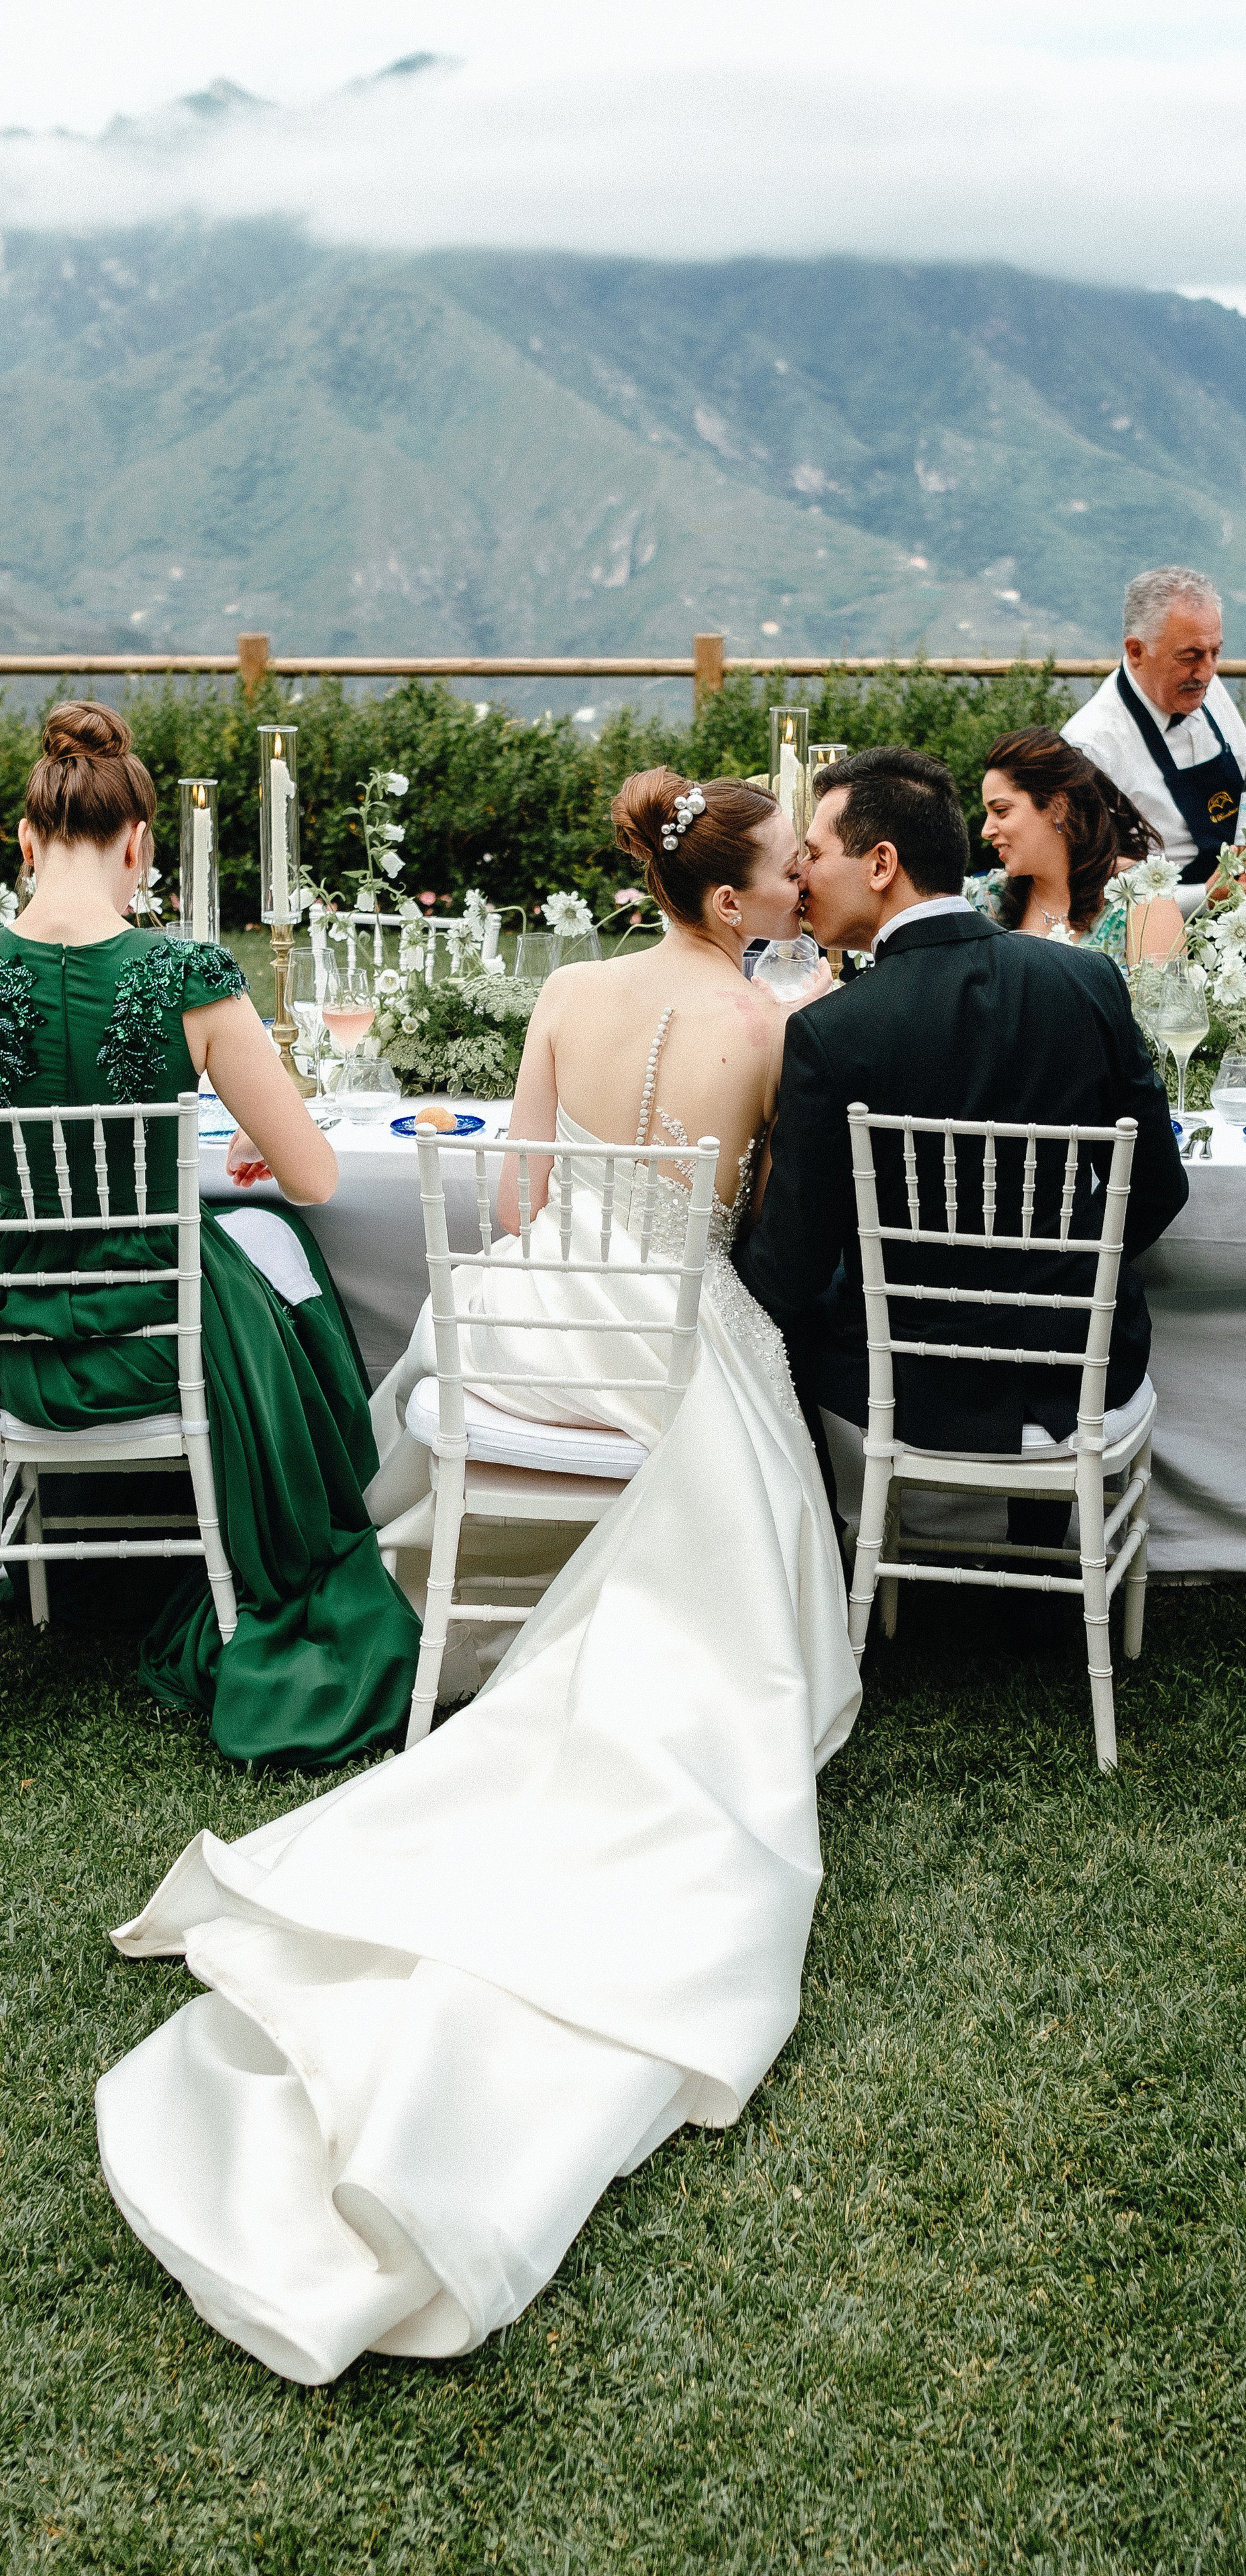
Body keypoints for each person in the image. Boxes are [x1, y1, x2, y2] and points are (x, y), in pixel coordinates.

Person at [96, 765, 861, 2384]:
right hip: (661, 1334)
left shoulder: (572, 983)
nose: (803, 883)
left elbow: (513, 1188)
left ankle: (490, 1608)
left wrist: (556, 1274)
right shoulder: (780, 1025)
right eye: (788, 868)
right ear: (730, 903)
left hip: (525, 1327)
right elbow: (765, 1226)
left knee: (532, 1355)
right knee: (750, 1468)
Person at [0, 701, 416, 1764]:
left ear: (26, 836)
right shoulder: (189, 976)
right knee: (282, 1258)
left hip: (11, 1345)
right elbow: (316, 1177)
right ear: (140, 843)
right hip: (155, 1335)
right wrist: (257, 1146)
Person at [730, 745, 1189, 1532]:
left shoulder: (833, 1033)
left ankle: (816, 1543)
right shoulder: (1084, 983)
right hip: (1080, 1365)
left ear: (881, 864)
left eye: (812, 854)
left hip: (908, 1379)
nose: (801, 877)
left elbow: (794, 1265)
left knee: (783, 1318)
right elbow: (1159, 1188)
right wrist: (1057, 1278)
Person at [1063, 566, 1246, 885]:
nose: (1206, 673)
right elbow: (1094, 882)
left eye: (1215, 653)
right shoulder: (1091, 745)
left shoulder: (1206, 686)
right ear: (1136, 652)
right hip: (1165, 924)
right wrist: (1205, 898)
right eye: (1189, 656)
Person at [965, 727, 1158, 956]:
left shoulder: (1140, 896)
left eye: (1001, 811)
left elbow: (1164, 991)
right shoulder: (986, 900)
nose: (986, 831)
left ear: (1058, 807)